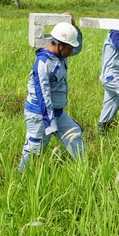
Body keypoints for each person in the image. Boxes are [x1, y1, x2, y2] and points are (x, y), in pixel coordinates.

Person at [18, 18, 84, 171]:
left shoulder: (61, 55)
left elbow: (78, 48)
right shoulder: (43, 64)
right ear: (60, 45)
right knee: (34, 149)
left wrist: (72, 27)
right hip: (39, 114)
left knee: (75, 136)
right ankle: (20, 176)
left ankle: (84, 171)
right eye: (70, 48)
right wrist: (50, 123)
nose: (72, 51)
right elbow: (43, 96)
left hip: (57, 111)